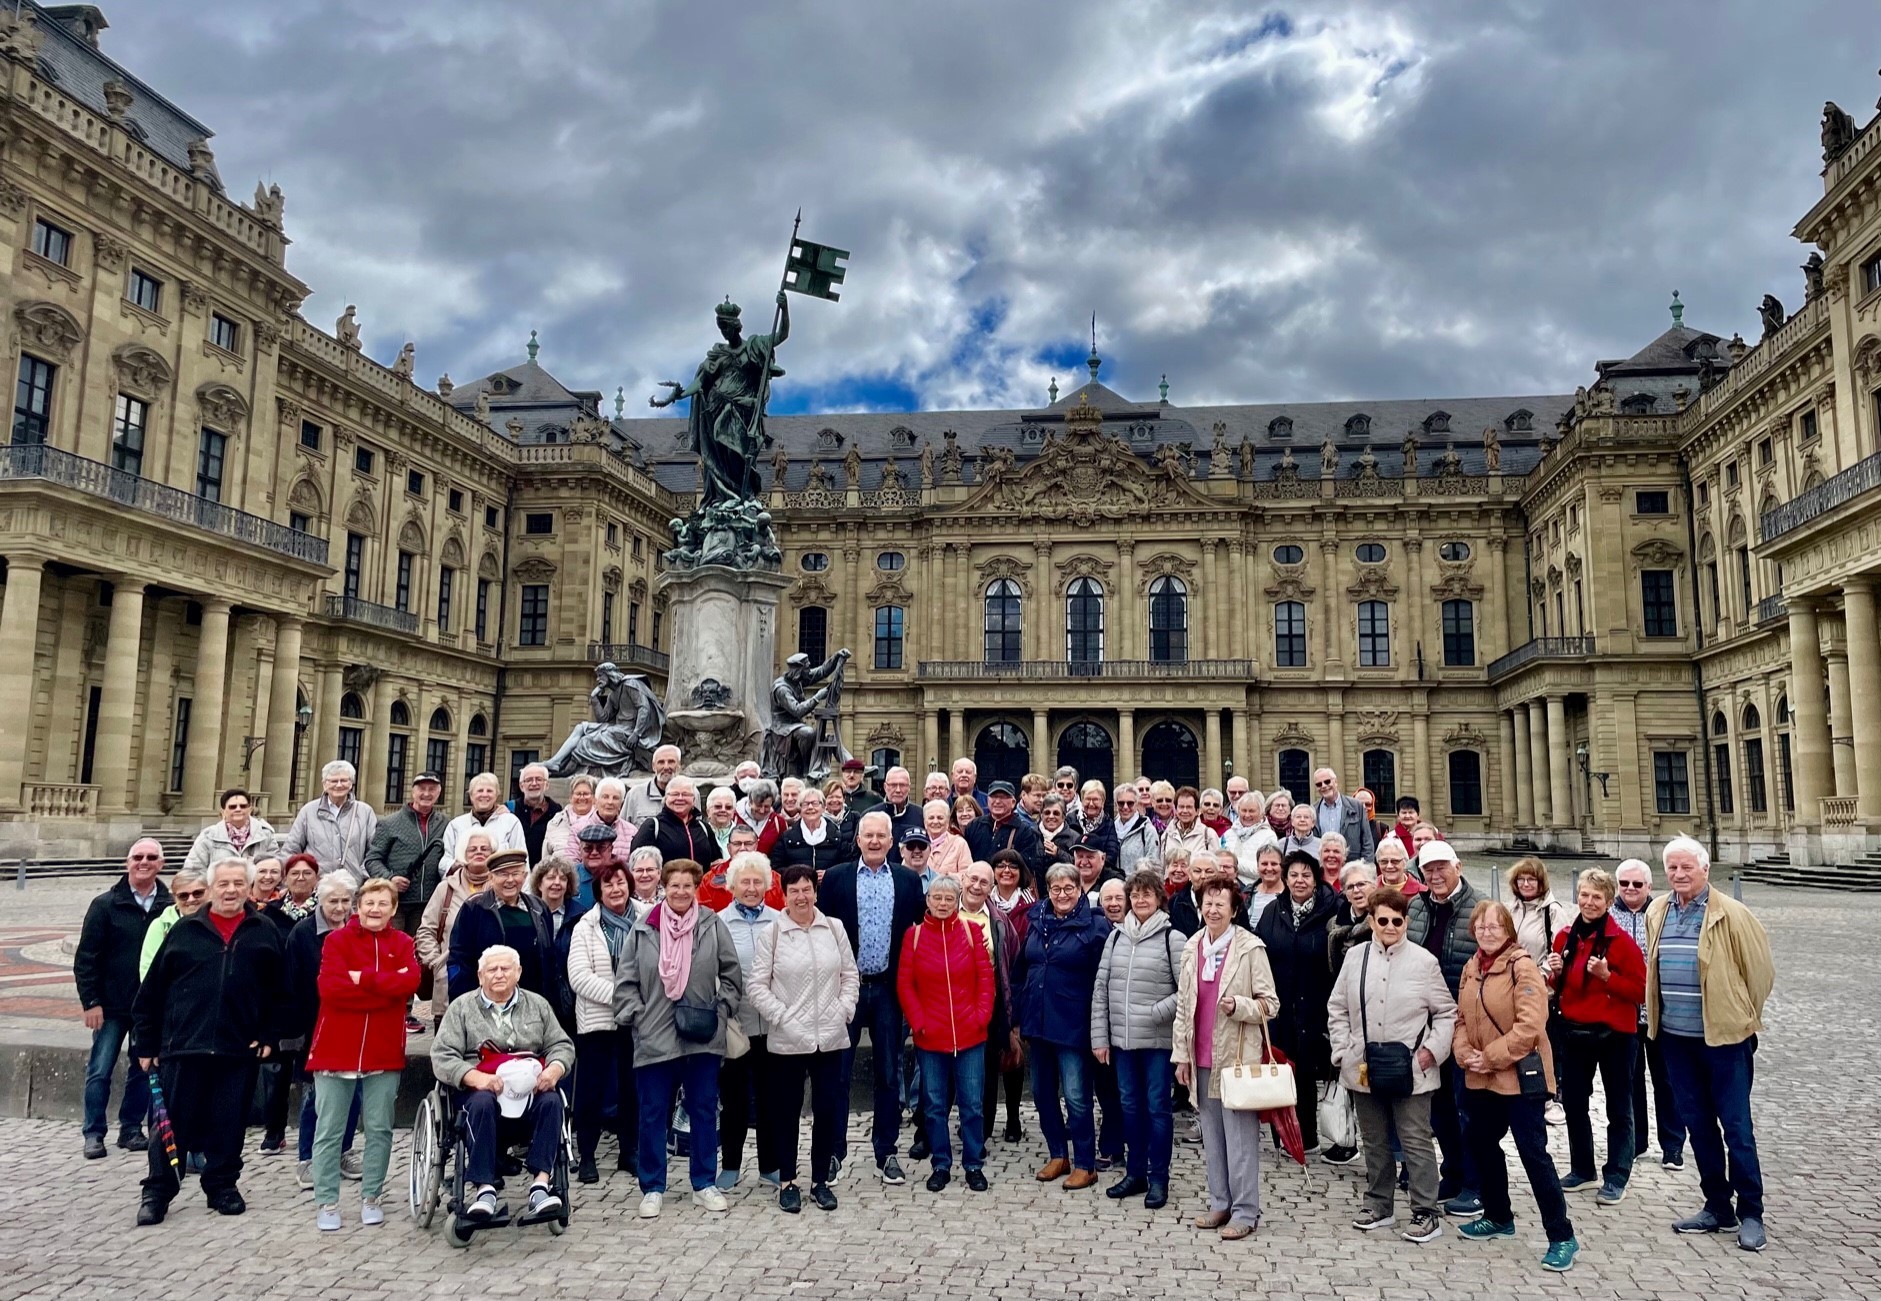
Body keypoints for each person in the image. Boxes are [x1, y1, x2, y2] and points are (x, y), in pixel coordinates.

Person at [131, 858, 287, 1226]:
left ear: (248, 888)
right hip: (184, 1045)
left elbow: (279, 993)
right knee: (171, 1127)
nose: (231, 890)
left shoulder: (263, 931)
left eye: (238, 883)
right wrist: (146, 1045)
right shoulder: (185, 930)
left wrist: (268, 1035)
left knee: (230, 1122)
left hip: (238, 1047)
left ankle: (222, 1186)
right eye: (224, 883)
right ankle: (157, 1192)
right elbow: (151, 992)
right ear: (212, 888)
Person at [1645, 836, 1773, 1252]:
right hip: (1676, 1040)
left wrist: (1736, 1014)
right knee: (1697, 1125)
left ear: (1705, 869)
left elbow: (1759, 975)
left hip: (1724, 1040)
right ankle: (1718, 1204)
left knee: (1736, 1127)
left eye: (1687, 868)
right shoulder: (1658, 910)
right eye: (1673, 868)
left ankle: (1751, 1211)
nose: (1679, 875)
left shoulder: (1732, 914)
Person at [613, 858, 745, 1217]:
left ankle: (703, 1182)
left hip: (702, 1034)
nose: (681, 892)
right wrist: (637, 1018)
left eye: (688, 886)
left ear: (696, 888)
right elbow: (625, 982)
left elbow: (732, 974)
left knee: (703, 1109)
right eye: (675, 886)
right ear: (664, 888)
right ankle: (653, 1185)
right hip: (655, 1034)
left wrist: (722, 1011)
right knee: (654, 1112)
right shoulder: (644, 929)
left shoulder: (711, 925)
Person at [1452, 900, 1578, 1271]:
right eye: (1480, 927)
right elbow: (1461, 1017)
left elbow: (1529, 1028)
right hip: (1481, 1076)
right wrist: (1464, 1051)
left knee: (1533, 1154)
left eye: (1494, 926)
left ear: (1509, 930)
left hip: (1520, 1078)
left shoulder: (1523, 968)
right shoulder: (1472, 967)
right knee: (1480, 1143)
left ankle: (1562, 1235)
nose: (1486, 932)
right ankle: (1498, 1215)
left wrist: (1488, 1056)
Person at [1327, 885, 1455, 1241]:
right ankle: (1379, 1203)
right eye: (1382, 920)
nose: (1390, 926)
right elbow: (1337, 1007)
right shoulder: (1355, 958)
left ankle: (1425, 1210)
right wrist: (1343, 1048)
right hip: (1363, 1065)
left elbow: (1446, 1013)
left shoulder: (1423, 962)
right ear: (1371, 921)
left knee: (1415, 1140)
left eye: (1397, 921)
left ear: (1406, 922)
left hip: (1411, 1067)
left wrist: (1431, 1051)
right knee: (1374, 1139)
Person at [306, 876, 420, 1231]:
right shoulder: (337, 941)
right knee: (330, 1130)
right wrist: (383, 987)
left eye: (383, 903)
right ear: (358, 906)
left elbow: (409, 983)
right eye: (369, 903)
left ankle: (372, 1196)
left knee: (379, 1128)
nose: (375, 909)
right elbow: (331, 989)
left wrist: (363, 978)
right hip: (336, 1048)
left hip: (383, 1050)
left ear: (393, 908)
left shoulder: (402, 942)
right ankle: (327, 1201)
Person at [818, 810, 926, 1185]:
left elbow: (919, 934)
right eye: (869, 836)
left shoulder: (909, 881)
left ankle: (886, 1151)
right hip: (845, 988)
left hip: (887, 988)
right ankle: (833, 1151)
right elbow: (822, 931)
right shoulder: (836, 879)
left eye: (882, 835)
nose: (876, 841)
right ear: (859, 840)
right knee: (839, 1074)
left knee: (888, 1073)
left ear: (891, 841)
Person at [430, 945, 574, 1224]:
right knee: (481, 1101)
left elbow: (561, 1045)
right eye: (492, 970)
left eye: (506, 968)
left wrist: (554, 1070)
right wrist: (476, 1078)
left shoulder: (538, 1005)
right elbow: (442, 1056)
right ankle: (485, 1190)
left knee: (553, 1101)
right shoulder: (461, 1008)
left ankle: (540, 1186)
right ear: (480, 975)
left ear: (518, 972)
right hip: (481, 1095)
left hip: (528, 1092)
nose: (499, 974)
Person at [1172, 877, 1280, 1240]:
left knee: (1240, 1139)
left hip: (1236, 1058)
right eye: (1207, 903)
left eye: (1221, 904)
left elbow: (1270, 1004)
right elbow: (1184, 1006)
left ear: (1234, 909)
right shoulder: (1192, 946)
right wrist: (1180, 1056)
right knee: (1213, 1138)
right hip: (1199, 1054)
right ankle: (1220, 1201)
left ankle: (1246, 1211)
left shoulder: (1250, 948)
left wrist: (1240, 1006)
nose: (1213, 909)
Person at [749, 862, 859, 1213]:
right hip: (788, 1038)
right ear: (784, 895)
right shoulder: (774, 933)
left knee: (826, 1110)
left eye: (806, 889)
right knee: (786, 1111)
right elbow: (756, 986)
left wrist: (842, 1010)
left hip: (829, 1036)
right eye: (793, 890)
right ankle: (787, 1181)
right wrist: (782, 1017)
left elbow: (849, 974)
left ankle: (820, 1181)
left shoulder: (834, 928)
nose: (801, 896)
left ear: (815, 891)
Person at [1544, 868, 1644, 1206]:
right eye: (1584, 895)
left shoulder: (1622, 943)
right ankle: (1582, 1169)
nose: (1589, 902)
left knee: (1619, 1107)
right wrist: (1555, 975)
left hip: (1615, 1033)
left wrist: (1607, 977)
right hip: (1574, 1031)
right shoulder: (1565, 937)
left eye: (1596, 897)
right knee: (1573, 1102)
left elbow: (1641, 991)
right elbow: (1560, 989)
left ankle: (1617, 1175)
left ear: (1608, 901)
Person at [1014, 862, 1112, 1191]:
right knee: (1042, 1093)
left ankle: (1086, 1163)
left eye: (1069, 888)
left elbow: (1105, 979)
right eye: (1055, 888)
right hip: (1037, 1022)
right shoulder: (1036, 919)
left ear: (1080, 889)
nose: (1062, 894)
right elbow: (1021, 967)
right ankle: (1058, 1153)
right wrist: (1017, 1012)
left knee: (1076, 1096)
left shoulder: (1095, 926)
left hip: (1073, 1024)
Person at [1090, 869, 1182, 1209]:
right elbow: (1101, 990)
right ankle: (1135, 1172)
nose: (1141, 900)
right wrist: (1100, 1037)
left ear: (1159, 898)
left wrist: (1155, 1012)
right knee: (1129, 1107)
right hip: (1122, 1043)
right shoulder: (1115, 938)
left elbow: (1187, 991)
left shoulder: (1172, 938)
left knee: (1157, 1109)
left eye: (1148, 894)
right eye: (1136, 894)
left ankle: (1158, 1177)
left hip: (1156, 1043)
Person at [897, 874, 995, 1192]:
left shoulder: (970, 931)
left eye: (949, 899)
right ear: (928, 901)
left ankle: (973, 1164)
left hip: (970, 1034)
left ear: (957, 902)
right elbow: (905, 985)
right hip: (931, 1036)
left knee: (972, 1105)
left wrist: (981, 1017)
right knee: (935, 1105)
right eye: (937, 898)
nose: (942, 903)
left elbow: (986, 979)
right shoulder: (913, 936)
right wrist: (919, 1021)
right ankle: (940, 1163)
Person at [75, 838, 171, 1159]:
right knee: (100, 1069)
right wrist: (91, 1001)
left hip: (149, 1007)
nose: (144, 862)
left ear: (161, 863)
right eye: (137, 857)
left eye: (151, 857)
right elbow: (87, 957)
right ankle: (94, 1132)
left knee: (143, 1069)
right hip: (111, 1005)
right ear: (127, 862)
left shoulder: (169, 907)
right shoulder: (105, 904)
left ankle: (131, 1129)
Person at [1404, 839, 1481, 1218]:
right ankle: (1452, 1172)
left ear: (1458, 867)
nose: (1434, 876)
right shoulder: (1416, 906)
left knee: (1467, 1106)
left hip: (1464, 1022)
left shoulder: (1479, 908)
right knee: (1438, 1107)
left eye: (1440, 869)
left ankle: (1476, 1182)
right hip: (1425, 1024)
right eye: (1427, 870)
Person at [278, 871, 363, 1181]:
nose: (339, 907)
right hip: (315, 1025)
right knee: (316, 1096)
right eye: (332, 901)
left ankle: (344, 1150)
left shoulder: (360, 930)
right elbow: (293, 985)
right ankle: (307, 1157)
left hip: (354, 1025)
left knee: (354, 1092)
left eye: (345, 900)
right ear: (320, 899)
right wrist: (295, 1034)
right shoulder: (303, 933)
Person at [1254, 851, 1340, 1153]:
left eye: (1306, 875)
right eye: (1294, 875)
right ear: (1285, 879)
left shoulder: (1333, 910)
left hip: (1317, 1006)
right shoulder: (1272, 912)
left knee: (1307, 1074)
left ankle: (1309, 1137)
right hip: (1281, 1007)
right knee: (1281, 1070)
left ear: (1315, 879)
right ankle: (1283, 1136)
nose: (1300, 880)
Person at [565, 862, 643, 1183]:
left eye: (620, 883)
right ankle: (588, 1156)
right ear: (599, 890)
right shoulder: (586, 926)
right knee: (591, 1091)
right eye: (608, 884)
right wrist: (621, 996)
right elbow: (579, 977)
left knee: (632, 1088)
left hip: (637, 1021)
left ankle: (629, 1152)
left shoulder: (646, 919)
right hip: (598, 1021)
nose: (615, 889)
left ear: (629, 886)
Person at [716, 853, 786, 1191]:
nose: (752, 888)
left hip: (772, 1025)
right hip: (736, 1025)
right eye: (745, 881)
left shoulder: (779, 920)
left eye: (758, 881)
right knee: (734, 1099)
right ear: (732, 886)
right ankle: (730, 1164)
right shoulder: (718, 923)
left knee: (772, 1097)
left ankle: (770, 1165)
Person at [1612, 859, 1684, 1168]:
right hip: (1623, 1013)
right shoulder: (1608, 916)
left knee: (1666, 1081)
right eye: (1625, 884)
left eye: (1637, 884)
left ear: (1649, 887)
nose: (1630, 889)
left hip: (1658, 1011)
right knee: (1630, 1081)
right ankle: (1637, 1142)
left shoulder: (1663, 914)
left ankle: (1673, 1145)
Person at [363, 770, 448, 1030]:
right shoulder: (391, 823)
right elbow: (372, 859)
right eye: (421, 788)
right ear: (412, 792)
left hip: (428, 903)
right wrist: (390, 879)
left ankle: (410, 1008)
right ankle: (395, 1007)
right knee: (393, 954)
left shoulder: (446, 824)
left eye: (431, 789)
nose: (426, 793)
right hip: (397, 902)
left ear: (438, 792)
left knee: (418, 957)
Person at [957, 860, 1024, 1146]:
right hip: (952, 1002)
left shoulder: (998, 920)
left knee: (985, 1065)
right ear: (963, 879)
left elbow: (1014, 961)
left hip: (990, 1001)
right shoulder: (947, 911)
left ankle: (983, 1129)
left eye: (984, 883)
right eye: (973, 879)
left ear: (991, 888)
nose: (976, 886)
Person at [448, 848, 557, 1006]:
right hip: (487, 1003)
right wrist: (464, 1003)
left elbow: (549, 958)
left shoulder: (539, 908)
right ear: (491, 878)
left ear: (525, 876)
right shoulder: (474, 908)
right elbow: (459, 958)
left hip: (532, 1002)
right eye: (503, 874)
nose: (510, 880)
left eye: (516, 873)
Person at [416, 829, 494, 1021]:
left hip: (492, 980)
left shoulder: (501, 888)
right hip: (450, 980)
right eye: (472, 849)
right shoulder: (446, 888)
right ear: (463, 854)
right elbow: (426, 930)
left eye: (485, 849)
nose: (479, 853)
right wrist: (436, 963)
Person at [281, 760, 379, 878]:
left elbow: (374, 852)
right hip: (317, 885)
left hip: (353, 886)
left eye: (343, 780)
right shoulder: (308, 811)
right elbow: (291, 849)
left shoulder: (365, 812)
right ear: (324, 784)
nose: (338, 785)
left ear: (351, 784)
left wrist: (363, 876)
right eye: (333, 781)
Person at [530, 856, 587, 1031]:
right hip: (535, 995)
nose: (557, 883)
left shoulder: (582, 917)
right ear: (539, 884)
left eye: (562, 879)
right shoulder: (527, 915)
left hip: (570, 999)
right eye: (550, 878)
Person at [182, 788, 279, 876]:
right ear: (223, 811)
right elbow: (193, 870)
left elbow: (275, 866)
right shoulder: (208, 836)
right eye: (232, 807)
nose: (238, 809)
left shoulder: (266, 834)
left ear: (250, 810)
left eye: (243, 806)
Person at [443, 772, 527, 873]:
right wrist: (460, 867)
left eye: (490, 791)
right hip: (463, 885)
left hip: (500, 886)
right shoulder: (456, 825)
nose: (484, 794)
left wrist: (524, 888)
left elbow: (522, 860)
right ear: (471, 795)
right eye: (480, 791)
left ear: (496, 795)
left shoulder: (510, 822)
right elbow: (445, 861)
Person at [965, 781, 1045, 877]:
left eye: (1003, 797)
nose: (997, 801)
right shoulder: (974, 826)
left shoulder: (1024, 831)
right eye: (994, 796)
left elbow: (1027, 868)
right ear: (987, 799)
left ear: (1013, 802)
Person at [138, 866, 206, 978]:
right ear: (174, 897)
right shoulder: (160, 926)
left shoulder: (220, 921)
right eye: (183, 896)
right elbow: (148, 971)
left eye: (198, 893)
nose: (191, 899)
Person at [770, 786, 854, 876]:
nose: (810, 807)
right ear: (800, 809)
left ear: (823, 807)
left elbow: (848, 866)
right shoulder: (787, 838)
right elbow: (776, 867)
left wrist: (829, 874)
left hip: (829, 888)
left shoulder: (837, 836)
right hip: (798, 888)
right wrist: (800, 876)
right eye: (805, 804)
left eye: (815, 803)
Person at [1169, 848, 1251, 937]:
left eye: (1209, 871)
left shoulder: (1233, 900)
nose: (1203, 876)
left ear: (1217, 874)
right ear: (1189, 874)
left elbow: (1244, 934)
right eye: (1197, 871)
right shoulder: (1175, 901)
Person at [1507, 858, 1566, 966]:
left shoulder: (1553, 911)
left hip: (1540, 979)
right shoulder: (1512, 909)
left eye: (1531, 879)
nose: (1525, 884)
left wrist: (1538, 976)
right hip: (1512, 978)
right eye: (1521, 879)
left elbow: (1561, 953)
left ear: (1541, 882)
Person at [1310, 767, 1377, 859]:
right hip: (1323, 867)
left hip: (1351, 866)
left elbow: (1367, 842)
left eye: (1327, 781)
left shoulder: (1356, 806)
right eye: (1319, 784)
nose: (1323, 786)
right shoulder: (1313, 810)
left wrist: (1367, 868)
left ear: (1336, 782)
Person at [544, 775, 598, 889]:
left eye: (586, 794)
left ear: (594, 798)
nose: (581, 797)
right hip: (558, 882)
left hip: (590, 883)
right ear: (570, 797)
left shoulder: (600, 822)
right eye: (578, 794)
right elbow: (545, 856)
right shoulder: (555, 822)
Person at [565, 775, 634, 863]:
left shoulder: (631, 832)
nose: (610, 802)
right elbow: (571, 863)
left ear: (622, 803)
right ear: (596, 800)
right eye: (605, 797)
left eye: (615, 798)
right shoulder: (578, 829)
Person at [507, 761, 562, 866]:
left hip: (544, 874)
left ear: (547, 785)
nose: (534, 783)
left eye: (539, 779)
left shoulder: (557, 813)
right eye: (529, 780)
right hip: (515, 874)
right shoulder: (509, 810)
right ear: (521, 786)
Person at [1327, 859, 1377, 974]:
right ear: (1345, 894)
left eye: (1361, 884)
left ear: (1374, 886)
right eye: (1350, 887)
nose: (1356, 890)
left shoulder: (1382, 921)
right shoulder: (1333, 924)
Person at [1222, 791, 1277, 888]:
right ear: (1238, 811)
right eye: (1244, 810)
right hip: (1227, 888)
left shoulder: (1269, 836)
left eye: (1251, 811)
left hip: (1254, 889)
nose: (1247, 815)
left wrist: (1233, 863)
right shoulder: (1228, 834)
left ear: (1261, 812)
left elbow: (1264, 870)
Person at [623, 743, 684, 823]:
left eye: (671, 762)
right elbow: (622, 829)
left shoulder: (690, 794)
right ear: (653, 766)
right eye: (661, 762)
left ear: (679, 765)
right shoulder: (635, 794)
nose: (666, 767)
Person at [1112, 784, 1158, 877]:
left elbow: (1153, 864)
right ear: (1116, 804)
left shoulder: (1147, 831)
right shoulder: (1110, 828)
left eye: (1130, 803)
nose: (1125, 807)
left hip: (1137, 887)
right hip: (1114, 887)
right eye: (1121, 803)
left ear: (1137, 803)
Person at [921, 798, 972, 877]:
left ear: (947, 822)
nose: (935, 821)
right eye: (931, 818)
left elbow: (968, 875)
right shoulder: (917, 843)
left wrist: (946, 877)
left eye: (940, 818)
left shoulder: (959, 844)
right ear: (925, 822)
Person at [1161, 787, 1214, 862]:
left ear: (1197, 811)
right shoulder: (1166, 835)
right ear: (1175, 810)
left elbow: (1215, 867)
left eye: (1189, 807)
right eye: (1181, 807)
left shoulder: (1208, 835)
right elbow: (1162, 867)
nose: (1185, 811)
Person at [1245, 843, 1287, 927]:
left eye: (1274, 864)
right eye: (1264, 864)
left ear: (1282, 867)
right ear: (1257, 866)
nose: (1269, 868)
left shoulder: (1290, 895)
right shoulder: (1247, 893)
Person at [989, 848, 1035, 916]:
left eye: (1013, 866)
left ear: (1021, 872)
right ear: (993, 871)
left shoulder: (1032, 906)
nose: (1007, 870)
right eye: (1001, 866)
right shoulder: (984, 902)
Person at [704, 785, 742, 860]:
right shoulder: (701, 833)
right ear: (708, 811)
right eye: (718, 806)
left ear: (733, 812)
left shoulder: (743, 834)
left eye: (728, 807)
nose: (723, 810)